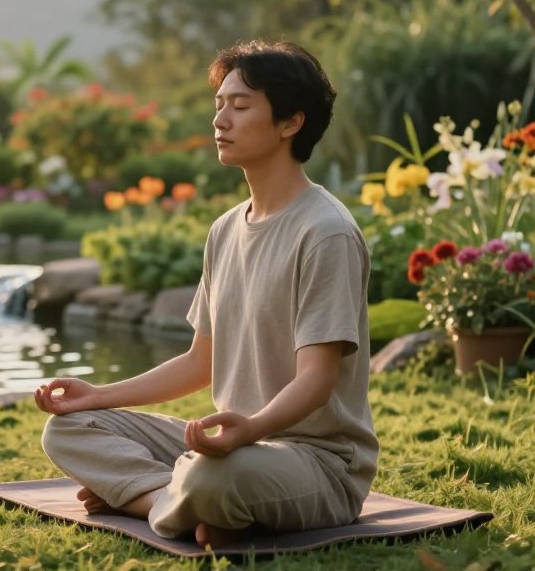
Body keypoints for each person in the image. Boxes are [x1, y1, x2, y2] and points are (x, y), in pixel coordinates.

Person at [34, 40, 378, 546]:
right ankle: (171, 502)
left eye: (240, 106)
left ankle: (149, 496)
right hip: (226, 443)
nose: (220, 120)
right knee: (69, 429)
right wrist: (99, 395)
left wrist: (250, 430)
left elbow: (317, 380)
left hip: (315, 462)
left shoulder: (326, 232)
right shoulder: (225, 229)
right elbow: (201, 362)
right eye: (219, 105)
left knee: (209, 476)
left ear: (291, 122)